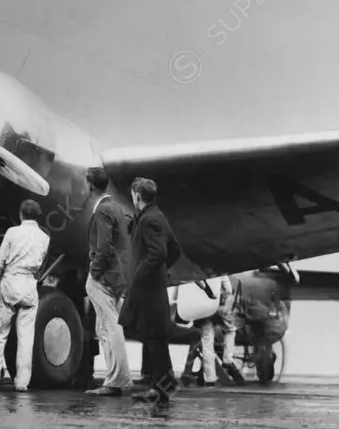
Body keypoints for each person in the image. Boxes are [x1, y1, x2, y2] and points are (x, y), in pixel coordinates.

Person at [119, 177, 183, 403]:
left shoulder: (150, 220)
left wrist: (142, 275)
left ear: (137, 196)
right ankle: (164, 385)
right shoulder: (156, 216)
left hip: (147, 289)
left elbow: (160, 253)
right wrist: (161, 273)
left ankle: (161, 387)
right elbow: (174, 250)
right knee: (155, 338)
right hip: (153, 287)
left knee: (153, 337)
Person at [0, 199, 50, 392]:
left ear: (21, 214)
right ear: (38, 216)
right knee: (26, 337)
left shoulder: (12, 232)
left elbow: (1, 261)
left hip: (10, 281)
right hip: (30, 284)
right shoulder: (45, 238)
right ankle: (22, 382)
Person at [83, 167, 133, 397]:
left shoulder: (102, 211)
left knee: (109, 326)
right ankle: (114, 379)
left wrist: (94, 271)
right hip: (118, 275)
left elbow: (104, 247)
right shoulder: (117, 208)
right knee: (105, 326)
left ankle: (117, 380)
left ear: (91, 186)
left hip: (104, 276)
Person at [181, 275, 239, 387]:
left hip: (201, 310)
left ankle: (210, 378)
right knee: (231, 329)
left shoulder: (194, 274)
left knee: (207, 343)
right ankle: (227, 359)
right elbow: (228, 290)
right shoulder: (221, 272)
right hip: (217, 308)